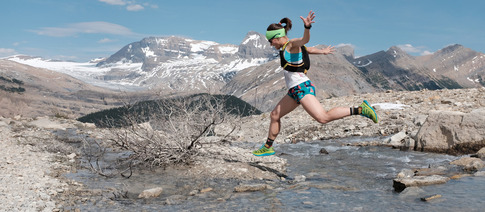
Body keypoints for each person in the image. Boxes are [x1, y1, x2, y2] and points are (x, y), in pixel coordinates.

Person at [252, 10, 378, 156]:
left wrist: (307, 28)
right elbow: (308, 49)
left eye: (270, 41)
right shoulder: (290, 48)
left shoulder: (291, 44)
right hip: (294, 91)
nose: (270, 44)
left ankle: (361, 109)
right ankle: (267, 147)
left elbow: (304, 41)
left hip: (302, 88)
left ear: (276, 37)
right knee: (274, 115)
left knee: (322, 118)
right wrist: (322, 51)